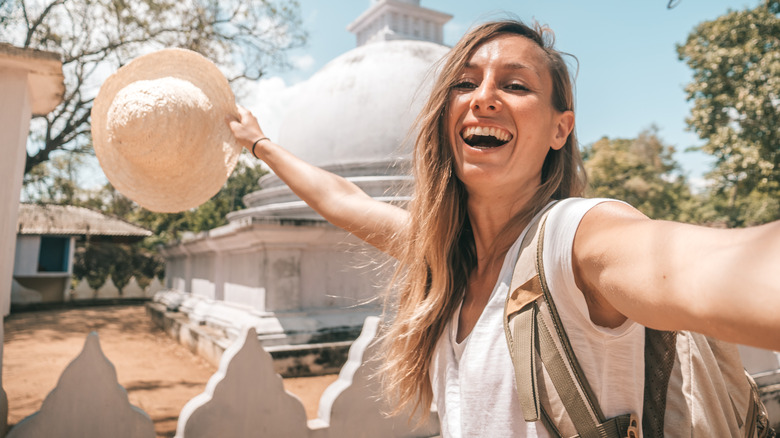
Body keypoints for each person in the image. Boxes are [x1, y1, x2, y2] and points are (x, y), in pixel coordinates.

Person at [228, 19, 780, 437]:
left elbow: (723, 269)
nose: (484, 97)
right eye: (464, 83)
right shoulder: (446, 254)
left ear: (560, 129)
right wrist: (259, 144)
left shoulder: (578, 240)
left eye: (516, 86)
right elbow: (342, 198)